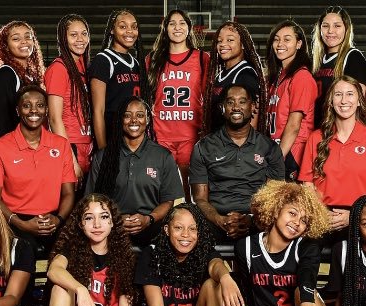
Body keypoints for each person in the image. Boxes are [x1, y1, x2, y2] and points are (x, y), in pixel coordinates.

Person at [204, 180, 345, 306]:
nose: (297, 222)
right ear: (277, 209)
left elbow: (307, 276)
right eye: (293, 213)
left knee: (304, 291)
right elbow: (239, 286)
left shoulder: (306, 245)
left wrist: (306, 299)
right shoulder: (246, 247)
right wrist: (224, 278)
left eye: (305, 220)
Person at [114, 203, 219, 306]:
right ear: (166, 230)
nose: (185, 235)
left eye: (192, 229)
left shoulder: (204, 252)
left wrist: (225, 277)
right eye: (178, 228)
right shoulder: (152, 254)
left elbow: (217, 265)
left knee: (213, 285)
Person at [0, 86, 76, 253]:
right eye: (27, 105)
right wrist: (21, 224)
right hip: (15, 219)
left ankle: (56, 280)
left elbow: (68, 192)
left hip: (53, 218)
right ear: (18, 110)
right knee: (24, 250)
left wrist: (59, 219)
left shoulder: (61, 145)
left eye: (40, 105)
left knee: (74, 249)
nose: (34, 110)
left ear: (46, 110)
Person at [189, 84, 284, 242]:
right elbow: (200, 199)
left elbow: (274, 198)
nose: (236, 107)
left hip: (257, 221)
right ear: (222, 108)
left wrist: (251, 220)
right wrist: (220, 220)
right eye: (230, 102)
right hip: (215, 220)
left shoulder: (270, 148)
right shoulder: (203, 147)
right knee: (185, 219)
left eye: (242, 102)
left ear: (252, 107)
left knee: (281, 218)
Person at [299, 77, 366, 232]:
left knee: (346, 253)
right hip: (322, 215)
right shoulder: (316, 138)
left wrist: (354, 215)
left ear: (359, 101)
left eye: (350, 94)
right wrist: (321, 213)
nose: (344, 100)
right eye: (338, 94)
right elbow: (307, 184)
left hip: (361, 216)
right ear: (330, 101)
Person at [86, 96, 184, 246]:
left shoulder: (162, 156)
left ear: (148, 120)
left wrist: (149, 219)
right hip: (112, 226)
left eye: (139, 115)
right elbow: (93, 200)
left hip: (151, 226)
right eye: (127, 115)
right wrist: (115, 219)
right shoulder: (103, 157)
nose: (133, 120)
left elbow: (168, 201)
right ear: (120, 120)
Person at [146, 10, 208, 196]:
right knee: (164, 191)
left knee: (189, 193)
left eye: (182, 23)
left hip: (190, 134)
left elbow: (209, 97)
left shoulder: (202, 58)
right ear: (165, 29)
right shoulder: (153, 59)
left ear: (189, 28)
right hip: (161, 134)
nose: (177, 27)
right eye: (172, 23)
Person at [264, 20, 316, 178]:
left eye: (287, 39)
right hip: (276, 147)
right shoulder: (278, 77)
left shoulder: (301, 76)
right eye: (276, 39)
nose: (280, 44)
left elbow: (294, 124)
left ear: (299, 44)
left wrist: (277, 160)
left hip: (292, 151)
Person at [45, 14, 94, 179]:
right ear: (63, 39)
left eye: (84, 33)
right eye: (73, 35)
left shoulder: (84, 66)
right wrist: (70, 160)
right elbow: (54, 118)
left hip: (86, 145)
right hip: (70, 145)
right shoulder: (59, 68)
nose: (80, 39)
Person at [90, 9, 144, 150]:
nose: (130, 31)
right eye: (123, 26)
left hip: (132, 137)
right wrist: (103, 150)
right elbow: (98, 111)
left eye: (134, 27)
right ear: (112, 30)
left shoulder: (137, 63)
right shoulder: (103, 60)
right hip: (112, 138)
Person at [311, 6, 366, 127]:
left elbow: (355, 103)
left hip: (339, 130)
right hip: (317, 129)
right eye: (325, 26)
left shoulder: (353, 57)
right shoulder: (315, 61)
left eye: (337, 26)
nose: (330, 31)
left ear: (346, 29)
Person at [0, 20, 45, 138]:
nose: (24, 41)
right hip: (13, 146)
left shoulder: (31, 74)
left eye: (28, 37)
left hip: (29, 142)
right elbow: (5, 122)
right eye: (16, 39)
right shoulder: (6, 74)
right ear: (6, 46)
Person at [205, 21, 265, 133]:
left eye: (230, 40)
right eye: (219, 41)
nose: (223, 44)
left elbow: (252, 122)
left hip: (234, 147)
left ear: (243, 44)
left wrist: (244, 149)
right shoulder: (221, 75)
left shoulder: (245, 74)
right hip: (219, 143)